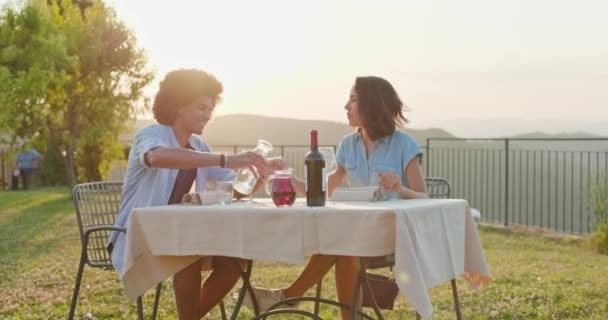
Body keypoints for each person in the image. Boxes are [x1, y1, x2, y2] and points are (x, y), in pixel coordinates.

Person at [244, 76, 429, 319]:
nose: (346, 106)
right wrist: (281, 176)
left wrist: (402, 190)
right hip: (356, 233)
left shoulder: (404, 144)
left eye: (353, 99)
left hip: (393, 236)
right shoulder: (347, 145)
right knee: (342, 241)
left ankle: (289, 297)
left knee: (341, 241)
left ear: (372, 104)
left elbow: (424, 197)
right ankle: (297, 300)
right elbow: (320, 193)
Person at [107, 69, 271, 320]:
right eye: (201, 107)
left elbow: (236, 189)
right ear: (179, 106)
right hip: (137, 235)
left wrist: (257, 177)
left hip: (176, 232)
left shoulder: (199, 148)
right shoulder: (150, 135)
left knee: (238, 260)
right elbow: (157, 157)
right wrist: (227, 159)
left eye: (210, 108)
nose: (208, 115)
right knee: (189, 251)